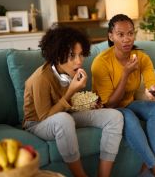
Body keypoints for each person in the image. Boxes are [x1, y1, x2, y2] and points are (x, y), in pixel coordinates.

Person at [22, 25, 123, 177]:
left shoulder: (69, 71)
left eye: (81, 54)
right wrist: (72, 90)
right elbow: (45, 117)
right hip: (37, 123)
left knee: (114, 116)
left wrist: (89, 104)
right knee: (64, 119)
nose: (79, 61)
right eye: (72, 56)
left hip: (64, 114)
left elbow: (66, 104)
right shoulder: (41, 78)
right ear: (57, 55)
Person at [91, 14, 155, 177]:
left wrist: (153, 90)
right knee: (127, 116)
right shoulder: (101, 63)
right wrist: (125, 74)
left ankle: (145, 170)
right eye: (120, 34)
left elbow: (151, 80)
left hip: (128, 102)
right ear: (111, 36)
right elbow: (110, 104)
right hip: (106, 109)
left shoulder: (141, 57)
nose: (127, 39)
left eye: (130, 33)